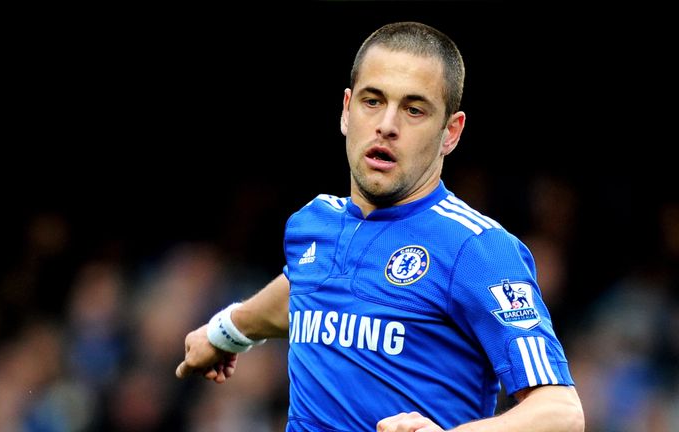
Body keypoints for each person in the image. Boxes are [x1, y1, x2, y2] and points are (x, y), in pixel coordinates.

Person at [175, 21, 584, 432]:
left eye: (414, 109)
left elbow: (562, 412)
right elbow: (305, 292)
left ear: (451, 132)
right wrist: (225, 332)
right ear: (346, 110)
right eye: (373, 101)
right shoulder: (314, 224)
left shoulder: (478, 250)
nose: (387, 124)